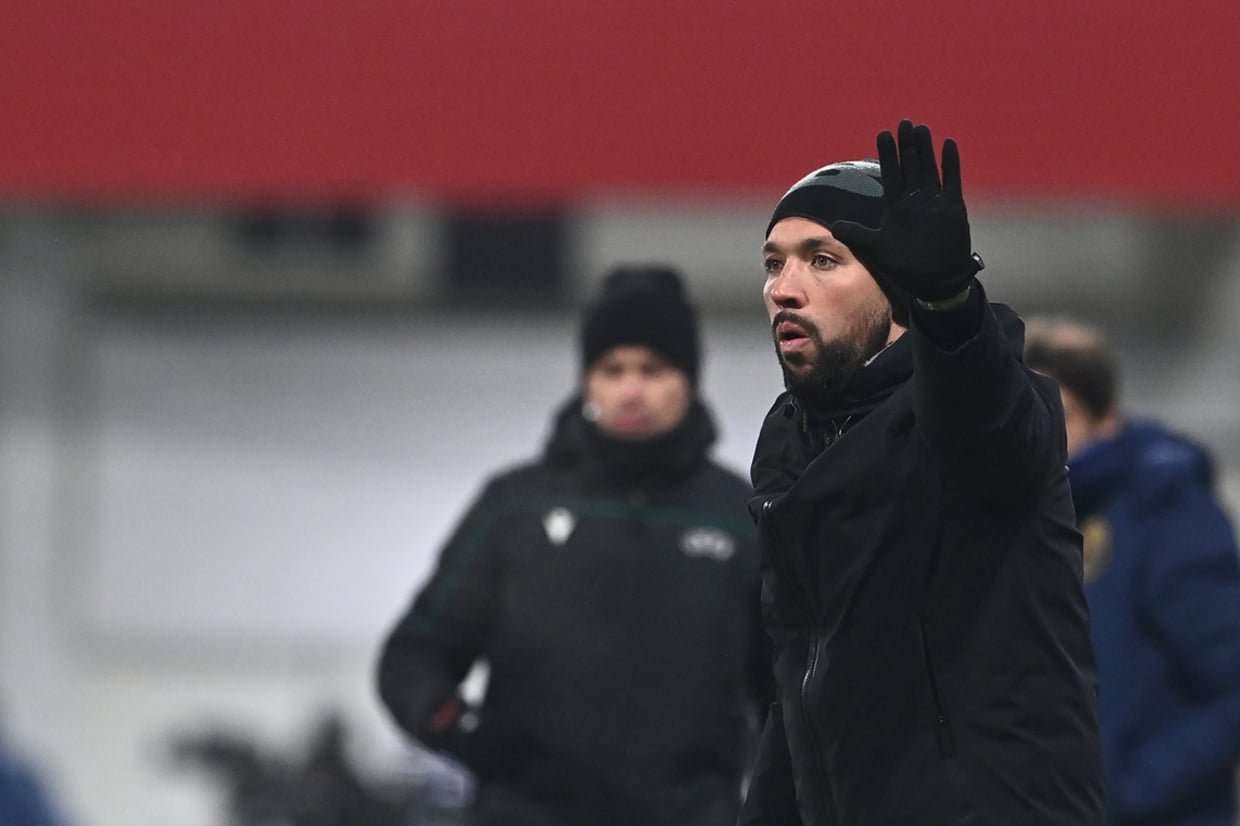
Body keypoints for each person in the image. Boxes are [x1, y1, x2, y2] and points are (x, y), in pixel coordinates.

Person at [737, 120, 1105, 825]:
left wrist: (947, 305)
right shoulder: (789, 441)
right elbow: (801, 688)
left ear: (900, 288)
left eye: (823, 260)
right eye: (773, 264)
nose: (784, 289)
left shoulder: (985, 407)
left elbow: (983, 418)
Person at [377, 265, 772, 826]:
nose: (631, 389)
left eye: (653, 369)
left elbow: (786, 689)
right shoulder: (515, 507)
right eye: (612, 370)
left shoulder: (741, 516)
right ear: (588, 380)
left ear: (687, 379)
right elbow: (415, 653)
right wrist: (456, 726)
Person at [1024, 316, 1240, 826]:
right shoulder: (1024, 521)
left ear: (1107, 421)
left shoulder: (1166, 511)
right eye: (1027, 416)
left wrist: (1130, 789)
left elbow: (1231, 683)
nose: (1046, 437)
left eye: (1063, 417)